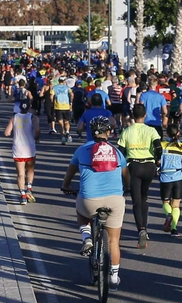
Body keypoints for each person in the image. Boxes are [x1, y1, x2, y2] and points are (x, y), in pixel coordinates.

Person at [62, 116, 129, 287]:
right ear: (109, 132)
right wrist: (127, 189)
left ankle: (87, 238)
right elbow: (125, 175)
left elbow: (70, 173)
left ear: (91, 132)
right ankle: (114, 277)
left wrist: (66, 186)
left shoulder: (82, 150)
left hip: (89, 200)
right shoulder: (116, 151)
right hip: (115, 200)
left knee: (80, 209)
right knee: (114, 240)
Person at [120, 103, 160, 248]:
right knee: (144, 197)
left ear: (132, 116)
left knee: (136, 201)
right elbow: (158, 147)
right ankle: (146, 228)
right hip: (149, 166)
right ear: (145, 115)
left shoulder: (126, 131)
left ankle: (141, 229)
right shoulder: (151, 130)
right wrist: (157, 160)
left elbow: (121, 152)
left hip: (134, 166)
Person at [5, 90, 40, 203]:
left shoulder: (14, 118)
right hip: (30, 149)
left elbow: (6, 133)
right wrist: (36, 137)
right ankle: (29, 188)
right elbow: (37, 129)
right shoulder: (33, 118)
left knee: (20, 173)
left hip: (18, 149)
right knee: (30, 169)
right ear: (29, 107)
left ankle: (23, 195)